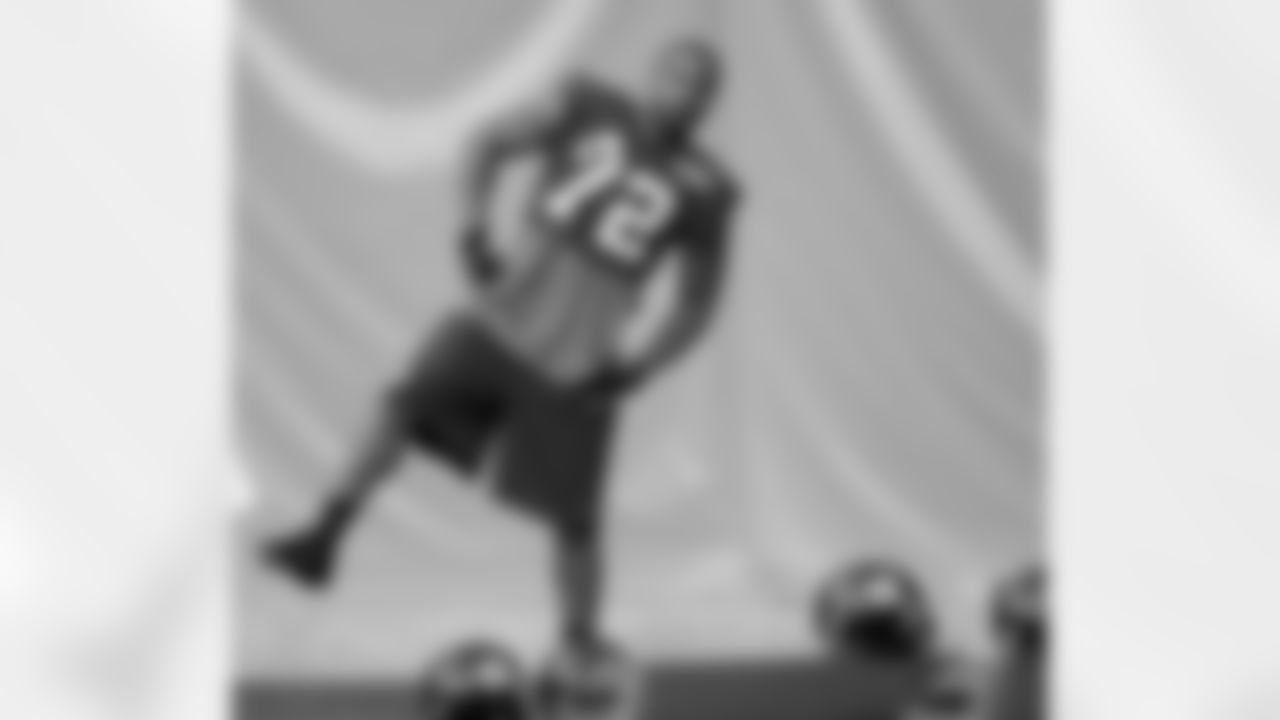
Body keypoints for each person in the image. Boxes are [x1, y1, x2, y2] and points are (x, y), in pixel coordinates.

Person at [262, 36, 741, 659]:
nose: (683, 90)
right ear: (649, 73)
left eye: (700, 84)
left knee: (576, 520)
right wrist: (472, 227)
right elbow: (487, 141)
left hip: (578, 361)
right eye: (675, 72)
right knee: (400, 406)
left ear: (710, 103)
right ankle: (324, 536)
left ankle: (580, 643)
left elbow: (698, 304)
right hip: (499, 320)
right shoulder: (585, 105)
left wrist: (642, 368)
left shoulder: (707, 190)